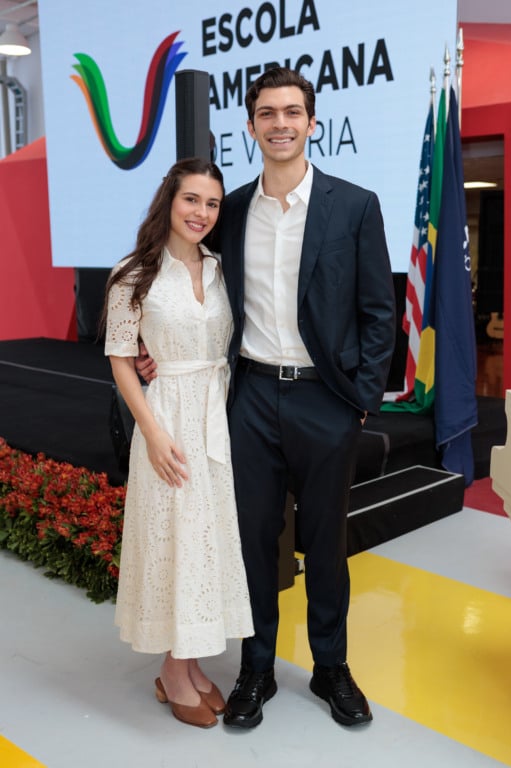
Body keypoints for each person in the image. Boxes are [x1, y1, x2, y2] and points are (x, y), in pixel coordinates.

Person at [137, 67, 396, 729]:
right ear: (251, 126)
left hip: (326, 402)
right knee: (252, 542)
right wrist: (154, 347)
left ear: (312, 122)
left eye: (291, 112)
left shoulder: (354, 205)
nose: (279, 123)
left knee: (325, 544)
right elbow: (187, 279)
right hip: (249, 397)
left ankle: (331, 668)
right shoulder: (234, 210)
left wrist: (358, 399)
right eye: (266, 113)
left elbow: (378, 311)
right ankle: (256, 670)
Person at [102, 157, 254, 730]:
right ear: (170, 199)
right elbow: (121, 359)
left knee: (206, 539)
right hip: (165, 421)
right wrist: (153, 431)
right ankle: (173, 668)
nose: (202, 213)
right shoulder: (133, 273)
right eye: (192, 199)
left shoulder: (219, 269)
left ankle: (185, 666)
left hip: (216, 415)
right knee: (176, 541)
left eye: (212, 203)